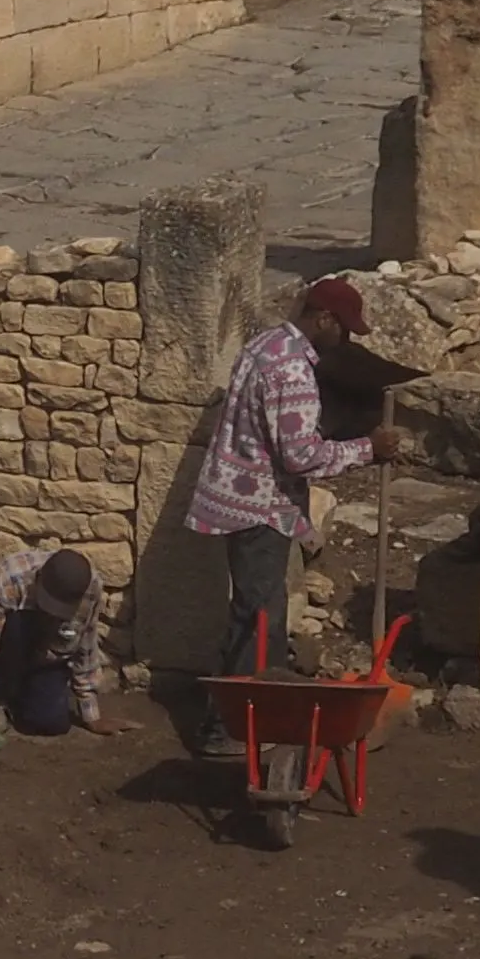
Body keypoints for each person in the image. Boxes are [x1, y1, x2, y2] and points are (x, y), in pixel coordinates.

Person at [184, 273, 404, 691]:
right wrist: (367, 448)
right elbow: (300, 456)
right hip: (260, 507)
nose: (346, 341)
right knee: (260, 619)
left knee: (254, 610)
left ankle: (243, 714)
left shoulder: (264, 345)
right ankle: (237, 719)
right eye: (343, 329)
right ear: (323, 319)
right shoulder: (294, 372)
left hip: (235, 494)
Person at [0, 544, 111, 744]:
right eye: (49, 606)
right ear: (37, 580)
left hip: (44, 648)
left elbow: (85, 645)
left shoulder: (89, 589)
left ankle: (18, 692)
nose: (52, 615)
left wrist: (92, 716)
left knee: (51, 723)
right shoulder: (5, 582)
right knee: (17, 624)